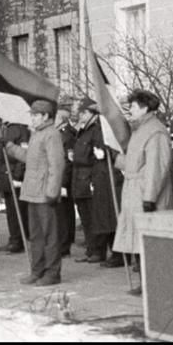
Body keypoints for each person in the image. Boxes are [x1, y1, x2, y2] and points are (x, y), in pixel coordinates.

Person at [113, 90, 173, 295]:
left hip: (144, 194)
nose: (130, 110)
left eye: (134, 106)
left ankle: (153, 284)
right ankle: (145, 283)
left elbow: (157, 166)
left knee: (148, 242)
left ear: (145, 108)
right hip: (135, 191)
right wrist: (116, 158)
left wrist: (149, 197)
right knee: (138, 240)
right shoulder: (140, 129)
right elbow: (135, 162)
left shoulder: (155, 131)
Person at [0, 100, 65, 287]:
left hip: (45, 194)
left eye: (36, 115)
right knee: (35, 236)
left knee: (49, 236)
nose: (32, 118)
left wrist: (52, 192)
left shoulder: (51, 135)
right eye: (32, 115)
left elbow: (56, 165)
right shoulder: (37, 134)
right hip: (32, 192)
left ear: (46, 116)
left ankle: (52, 273)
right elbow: (30, 158)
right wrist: (10, 146)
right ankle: (37, 270)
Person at [71, 98, 103, 263]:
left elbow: (98, 157)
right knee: (85, 218)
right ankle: (91, 249)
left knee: (93, 217)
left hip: (90, 178)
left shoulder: (97, 130)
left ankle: (98, 250)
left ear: (92, 113)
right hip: (80, 178)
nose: (80, 115)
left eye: (83, 112)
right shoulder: (83, 130)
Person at [0, 121, 30, 253]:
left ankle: (18, 240)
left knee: (17, 211)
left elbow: (23, 155)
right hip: (7, 173)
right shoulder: (6, 128)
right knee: (11, 210)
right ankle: (14, 237)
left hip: (15, 174)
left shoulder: (19, 129)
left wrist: (18, 176)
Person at [55, 98, 76, 257]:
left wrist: (63, 184)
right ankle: (64, 242)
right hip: (61, 178)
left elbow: (67, 162)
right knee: (62, 213)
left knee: (63, 214)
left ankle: (64, 244)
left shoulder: (66, 136)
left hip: (63, 180)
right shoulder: (61, 135)